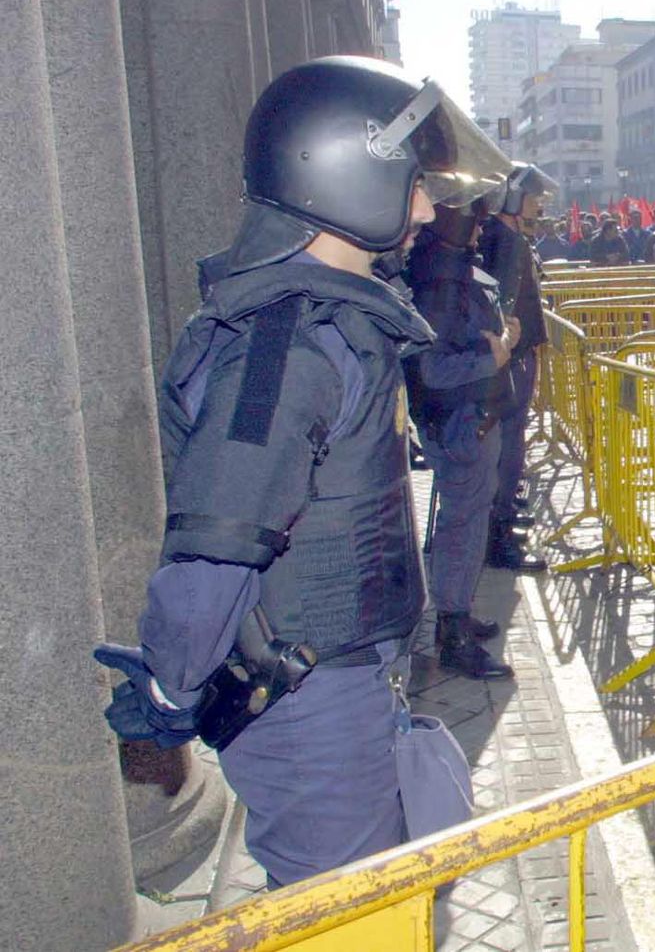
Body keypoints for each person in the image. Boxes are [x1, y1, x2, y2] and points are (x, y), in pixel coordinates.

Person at [94, 55, 507, 887]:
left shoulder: (327, 323)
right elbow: (218, 539)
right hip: (313, 706)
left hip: (343, 687)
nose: (427, 205)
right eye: (411, 180)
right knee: (343, 919)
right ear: (343, 173)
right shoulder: (283, 344)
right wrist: (174, 686)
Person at [404, 204, 515, 681]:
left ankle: (457, 612)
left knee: (466, 525)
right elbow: (433, 368)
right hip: (459, 424)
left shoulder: (449, 274)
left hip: (471, 420)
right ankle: (452, 633)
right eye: (471, 217)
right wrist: (494, 356)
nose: (480, 224)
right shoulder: (439, 285)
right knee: (460, 526)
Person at [476, 163, 555, 573]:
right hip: (513, 357)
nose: (537, 203)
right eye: (531, 195)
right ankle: (499, 535)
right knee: (508, 447)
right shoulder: (506, 241)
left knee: (509, 444)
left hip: (513, 354)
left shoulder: (501, 235)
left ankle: (500, 522)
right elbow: (503, 304)